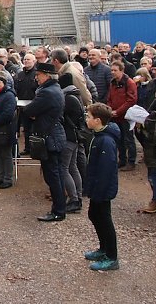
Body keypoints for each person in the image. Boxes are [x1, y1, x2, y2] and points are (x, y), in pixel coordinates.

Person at [25, 62, 67, 222]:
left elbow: (29, 110)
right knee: (55, 174)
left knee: (53, 175)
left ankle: (58, 211)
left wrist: (35, 114)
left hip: (50, 137)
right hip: (54, 134)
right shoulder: (53, 89)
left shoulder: (47, 92)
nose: (36, 77)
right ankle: (59, 208)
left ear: (47, 75)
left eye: (39, 75)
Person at [82, 103, 120, 272]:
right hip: (97, 186)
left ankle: (111, 257)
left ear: (97, 120)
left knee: (104, 219)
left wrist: (98, 189)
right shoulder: (98, 136)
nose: (86, 119)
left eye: (88, 117)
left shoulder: (105, 140)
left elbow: (106, 169)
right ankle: (103, 248)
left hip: (102, 188)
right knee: (94, 215)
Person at [59, 73, 85, 212]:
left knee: (64, 169)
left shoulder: (67, 98)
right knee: (72, 167)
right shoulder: (76, 95)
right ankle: (78, 197)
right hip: (75, 137)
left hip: (68, 137)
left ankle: (74, 199)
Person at [107, 61, 137, 171]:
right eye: (112, 70)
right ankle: (122, 160)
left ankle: (131, 161)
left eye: (115, 70)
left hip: (126, 116)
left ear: (122, 70)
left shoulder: (129, 83)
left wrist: (118, 111)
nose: (113, 72)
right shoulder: (113, 83)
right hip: (115, 116)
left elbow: (131, 100)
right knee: (119, 139)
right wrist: (110, 109)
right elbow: (109, 98)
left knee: (129, 139)